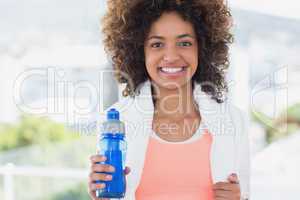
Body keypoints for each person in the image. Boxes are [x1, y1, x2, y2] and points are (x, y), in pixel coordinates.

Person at [88, 0, 250, 199]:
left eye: (184, 43)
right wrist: (100, 194)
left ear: (203, 47)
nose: (171, 56)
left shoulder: (234, 121)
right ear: (140, 52)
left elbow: (246, 191)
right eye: (157, 44)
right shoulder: (115, 121)